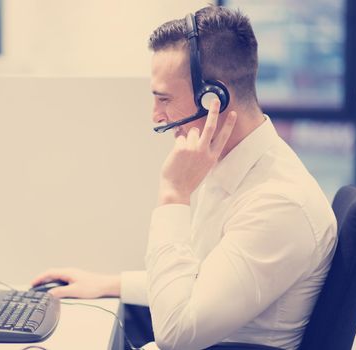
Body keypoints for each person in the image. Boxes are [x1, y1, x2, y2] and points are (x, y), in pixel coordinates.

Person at [31, 5, 337, 350]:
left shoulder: (279, 204)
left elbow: (177, 333)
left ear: (214, 98)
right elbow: (200, 283)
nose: (156, 116)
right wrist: (111, 283)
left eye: (164, 99)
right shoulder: (234, 167)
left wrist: (173, 194)